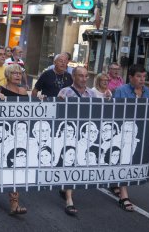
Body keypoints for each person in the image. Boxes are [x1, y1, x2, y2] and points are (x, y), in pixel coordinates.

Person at [112, 64, 149, 212]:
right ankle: (124, 196)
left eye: (144, 77)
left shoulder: (148, 92)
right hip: (123, 133)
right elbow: (112, 112)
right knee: (124, 159)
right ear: (130, 77)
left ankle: (116, 183)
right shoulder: (121, 91)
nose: (142, 80)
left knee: (130, 160)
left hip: (139, 134)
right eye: (138, 76)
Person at [0, 63, 28, 215]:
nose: (18, 76)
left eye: (20, 73)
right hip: (0, 135)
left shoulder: (24, 91)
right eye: (15, 73)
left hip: (17, 136)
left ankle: (14, 204)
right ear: (8, 75)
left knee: (15, 168)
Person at [57, 66, 97, 216]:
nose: (84, 79)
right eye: (81, 76)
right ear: (73, 77)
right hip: (69, 134)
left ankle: (65, 189)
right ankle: (69, 200)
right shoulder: (65, 92)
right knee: (70, 162)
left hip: (83, 135)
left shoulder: (92, 94)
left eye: (86, 76)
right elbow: (58, 114)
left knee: (76, 163)